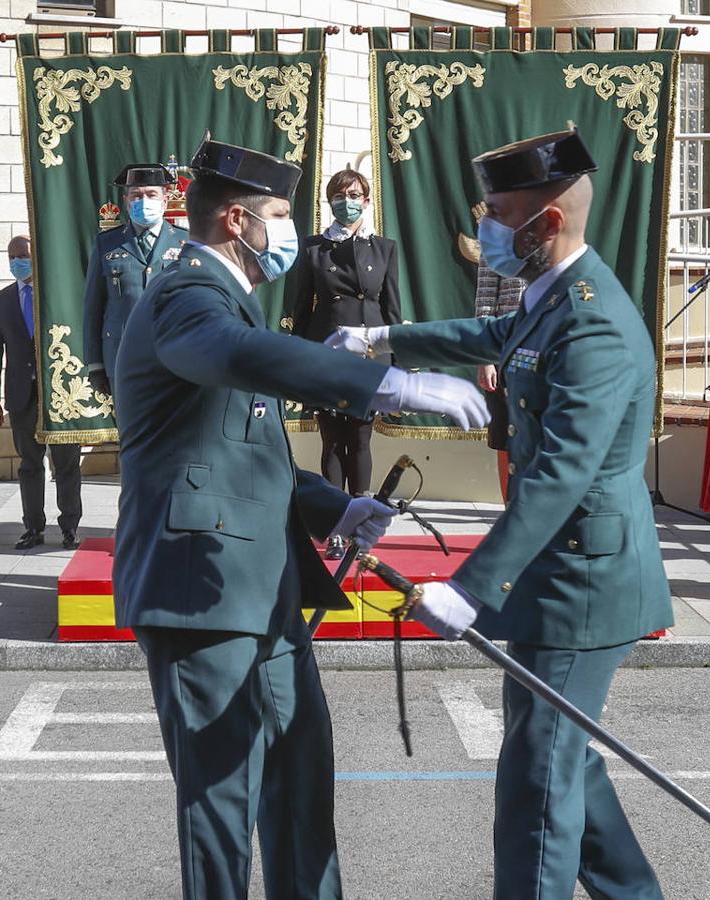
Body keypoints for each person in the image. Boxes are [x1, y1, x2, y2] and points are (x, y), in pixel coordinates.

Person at [110, 136, 488, 900]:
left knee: (301, 780)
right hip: (202, 590)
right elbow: (238, 358)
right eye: (280, 214)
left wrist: (337, 506)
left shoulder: (228, 298)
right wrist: (391, 384)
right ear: (236, 223)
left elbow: (245, 448)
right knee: (221, 803)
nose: (291, 229)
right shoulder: (189, 294)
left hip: (265, 584)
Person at [328, 126, 672, 899]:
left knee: (537, 789)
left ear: (545, 223)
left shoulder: (596, 323)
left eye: (496, 212)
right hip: (556, 572)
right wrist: (384, 338)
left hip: (586, 579)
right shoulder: (551, 299)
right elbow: (489, 334)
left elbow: (560, 472)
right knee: (563, 758)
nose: (483, 226)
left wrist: (471, 584)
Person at [288, 168, 401, 558]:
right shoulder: (314, 248)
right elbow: (301, 309)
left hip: (370, 354)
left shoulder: (384, 248)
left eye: (354, 194)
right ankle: (337, 523)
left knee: (361, 437)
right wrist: (297, 358)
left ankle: (362, 516)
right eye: (339, 195)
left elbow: (392, 310)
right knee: (332, 439)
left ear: (367, 200)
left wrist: (397, 364)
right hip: (327, 350)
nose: (346, 201)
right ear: (329, 201)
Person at [0, 235, 82, 551]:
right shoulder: (0, 301)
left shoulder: (58, 295)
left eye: (23, 255)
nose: (17, 262)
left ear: (36, 256)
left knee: (67, 463)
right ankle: (33, 527)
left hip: (60, 394)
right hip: (21, 396)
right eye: (12, 256)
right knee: (30, 463)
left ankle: (69, 526)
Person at [83, 163, 189, 401]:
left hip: (175, 358)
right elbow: (93, 308)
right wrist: (95, 364)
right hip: (121, 359)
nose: (144, 201)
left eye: (151, 195)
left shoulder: (186, 244)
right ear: (126, 201)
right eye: (136, 196)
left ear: (165, 200)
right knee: (132, 435)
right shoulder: (107, 244)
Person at [474, 255, 525, 502]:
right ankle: (510, 511)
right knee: (506, 437)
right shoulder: (497, 241)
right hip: (505, 352)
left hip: (547, 354)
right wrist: (485, 358)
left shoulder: (557, 237)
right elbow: (484, 305)